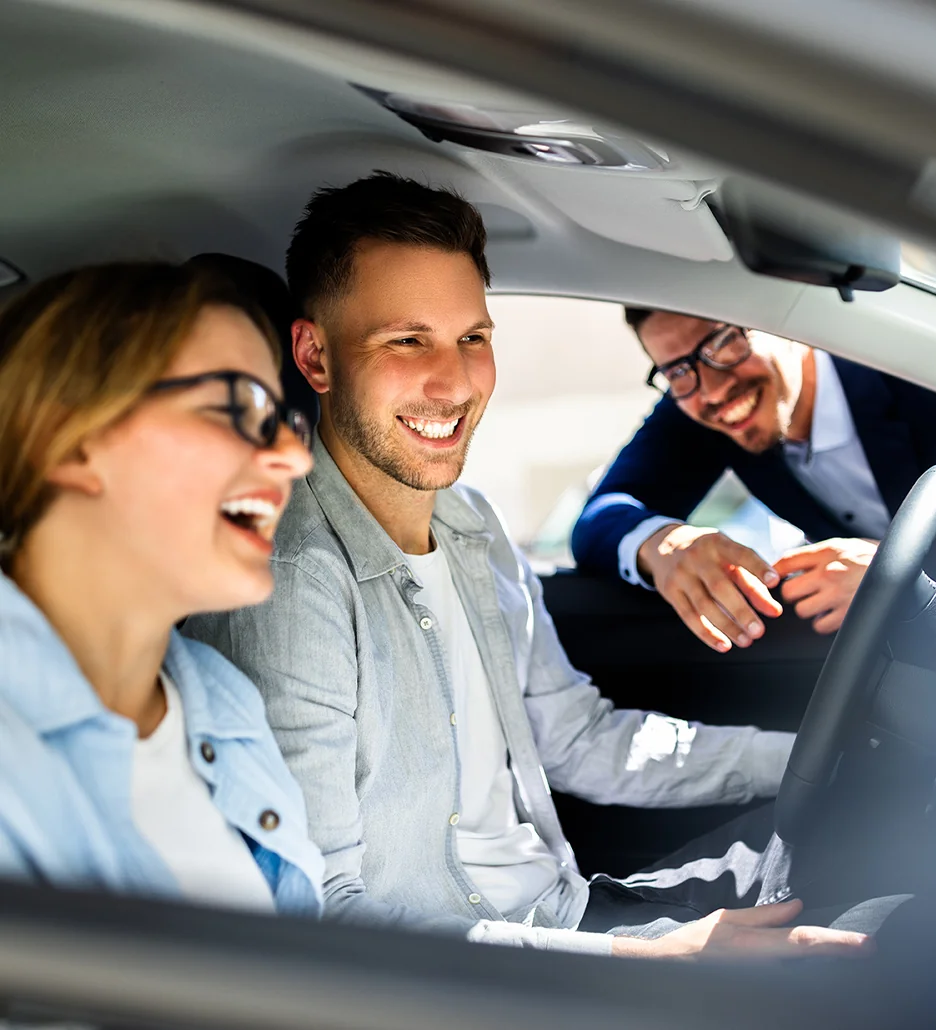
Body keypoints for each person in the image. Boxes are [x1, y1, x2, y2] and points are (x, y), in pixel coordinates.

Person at [184, 173, 887, 959]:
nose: (454, 382)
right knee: (886, 945)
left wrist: (818, 759)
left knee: (885, 832)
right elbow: (323, 913)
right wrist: (648, 962)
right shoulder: (293, 581)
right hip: (493, 981)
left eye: (472, 339)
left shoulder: (470, 523)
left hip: (571, 915)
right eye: (406, 341)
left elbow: (580, 740)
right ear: (315, 356)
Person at [0, 262, 324, 914]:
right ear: (69, 443)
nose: (295, 456)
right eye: (236, 407)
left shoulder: (222, 700)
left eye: (283, 418)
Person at [571, 309, 936, 652]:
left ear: (789, 321)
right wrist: (664, 545)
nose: (712, 392)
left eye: (723, 342)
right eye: (676, 370)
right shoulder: (696, 409)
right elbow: (600, 514)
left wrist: (910, 571)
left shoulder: (922, 367)